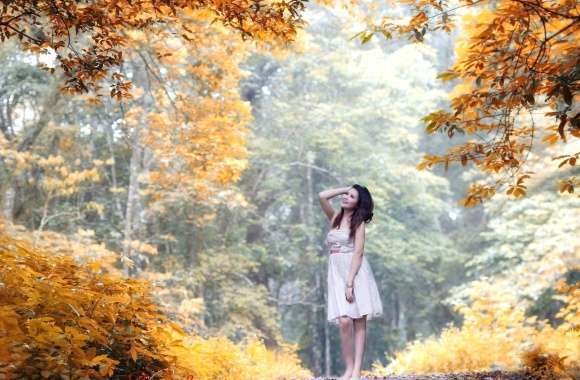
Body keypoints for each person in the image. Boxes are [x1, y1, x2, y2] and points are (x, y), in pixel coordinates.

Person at [318, 185, 383, 380]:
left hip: (355, 273)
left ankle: (356, 371)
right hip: (335, 272)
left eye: (351, 196)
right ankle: (348, 367)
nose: (346, 197)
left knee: (358, 320)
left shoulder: (359, 223)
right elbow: (322, 196)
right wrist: (346, 188)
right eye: (346, 195)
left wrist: (350, 282)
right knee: (344, 321)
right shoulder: (335, 217)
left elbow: (358, 252)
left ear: (358, 203)